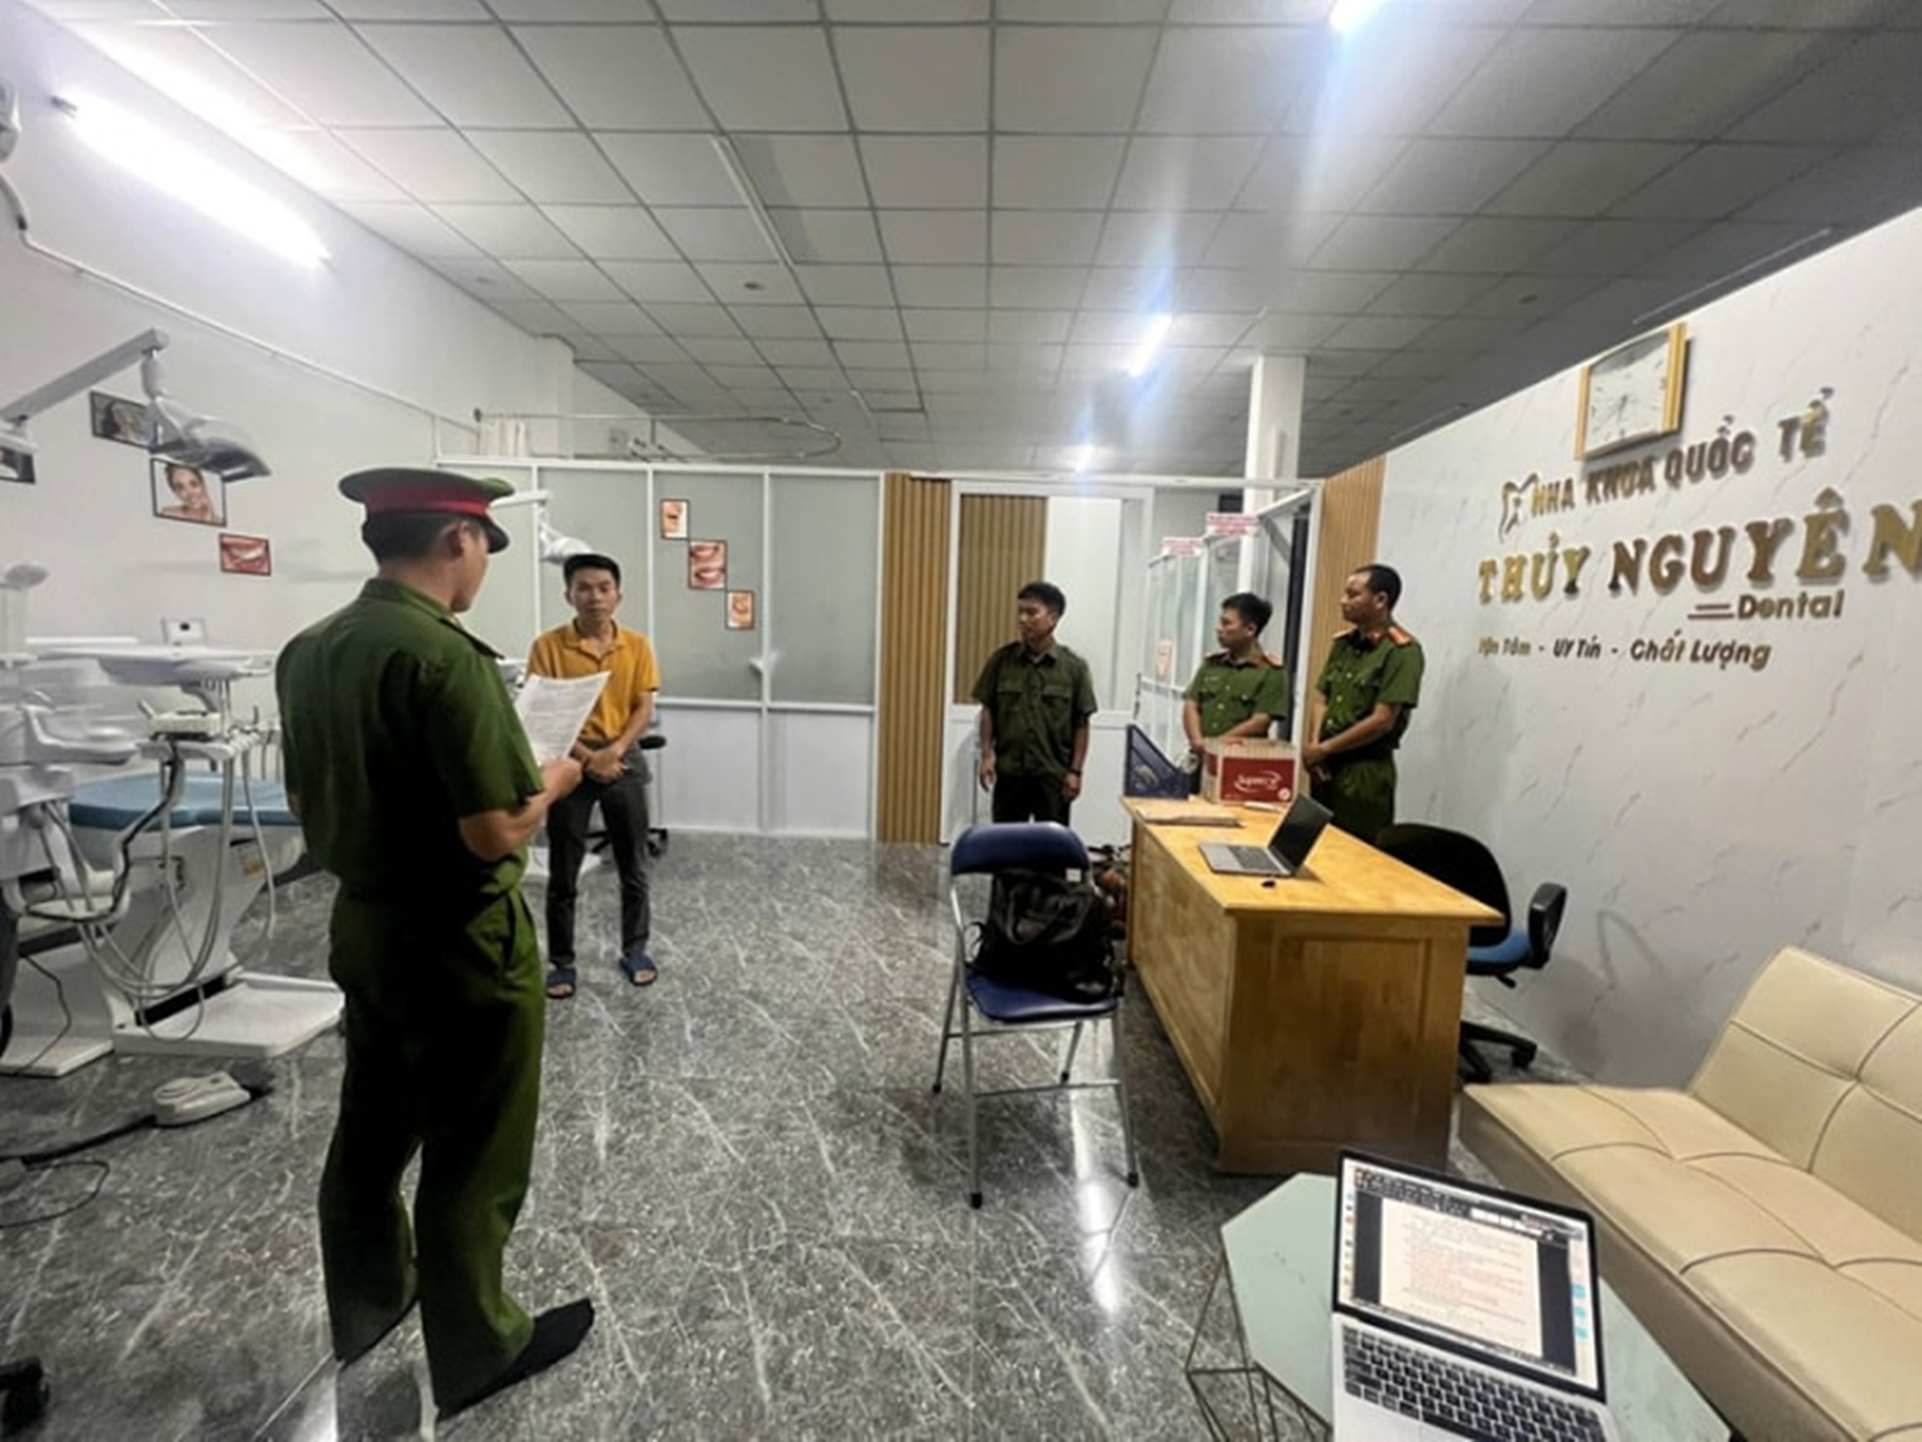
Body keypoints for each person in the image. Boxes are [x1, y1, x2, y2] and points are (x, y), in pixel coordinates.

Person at [275, 468, 594, 1421]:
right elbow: (493, 829)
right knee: (476, 1144)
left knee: (373, 1122)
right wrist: (560, 776)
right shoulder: (444, 658)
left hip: (367, 927)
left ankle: (371, 1299)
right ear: (459, 540)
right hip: (461, 941)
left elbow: (302, 798)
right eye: (484, 548)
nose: (482, 567)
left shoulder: (310, 650)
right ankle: (479, 1345)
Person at [526, 552, 660, 999]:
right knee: (563, 871)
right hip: (569, 761)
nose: (595, 597)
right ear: (569, 594)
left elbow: (643, 707)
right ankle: (562, 962)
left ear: (619, 595)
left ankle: (635, 949)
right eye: (584, 588)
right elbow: (544, 713)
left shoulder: (636, 645)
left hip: (623, 758)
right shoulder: (547, 647)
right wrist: (589, 758)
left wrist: (615, 751)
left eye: (604, 588)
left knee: (633, 867)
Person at [1302, 563, 1424, 843]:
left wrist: (1324, 749)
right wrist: (1315, 746)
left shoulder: (1402, 651)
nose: (1343, 601)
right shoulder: (1344, 643)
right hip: (1325, 765)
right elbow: (1321, 698)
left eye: (1353, 594)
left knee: (1355, 851)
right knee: (1319, 846)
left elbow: (1383, 720)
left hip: (1364, 770)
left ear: (1380, 600)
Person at [972, 580, 1098, 825]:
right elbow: (988, 711)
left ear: (1053, 618)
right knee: (1007, 843)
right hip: (1010, 773)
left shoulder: (1074, 668)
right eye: (1020, 612)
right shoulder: (1002, 661)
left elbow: (1081, 723)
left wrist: (1075, 772)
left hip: (1053, 776)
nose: (1022, 619)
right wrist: (986, 756)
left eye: (1031, 613)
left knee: (1050, 845)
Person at [1181, 591, 1291, 787]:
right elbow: (1191, 704)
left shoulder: (1270, 672)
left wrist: (1216, 746)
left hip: (1242, 768)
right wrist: (1198, 743)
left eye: (1227, 624)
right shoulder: (1211, 665)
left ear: (1250, 629)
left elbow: (1260, 722)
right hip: (1200, 760)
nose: (1219, 629)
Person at [158, 462, 223, 524]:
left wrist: (209, 517)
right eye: (181, 487)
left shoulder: (219, 521)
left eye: (193, 484)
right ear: (176, 493)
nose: (190, 493)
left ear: (202, 485)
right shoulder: (168, 515)